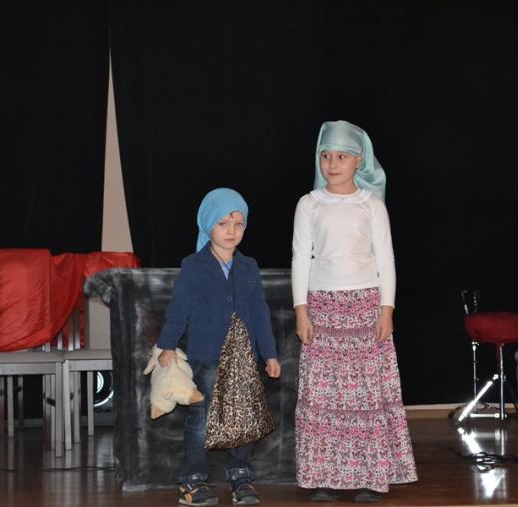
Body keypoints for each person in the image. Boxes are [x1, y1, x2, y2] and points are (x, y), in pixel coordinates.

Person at [291, 120, 418, 503]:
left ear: (359, 160)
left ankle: (369, 476)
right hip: (322, 309)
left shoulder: (371, 205)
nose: (332, 164)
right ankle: (324, 477)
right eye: (326, 156)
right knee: (325, 396)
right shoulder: (309, 204)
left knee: (365, 395)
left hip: (365, 308)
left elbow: (386, 260)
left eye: (341, 157)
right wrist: (301, 310)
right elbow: (301, 258)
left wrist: (387, 309)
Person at [158, 188, 282, 506]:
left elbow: (260, 312)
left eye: (238, 224)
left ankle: (240, 475)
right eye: (223, 223)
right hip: (206, 356)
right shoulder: (194, 265)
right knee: (202, 418)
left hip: (243, 357)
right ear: (208, 225)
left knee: (243, 416)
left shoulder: (248, 266)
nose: (231, 231)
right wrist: (167, 345)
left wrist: (269, 353)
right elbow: (179, 309)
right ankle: (192, 480)